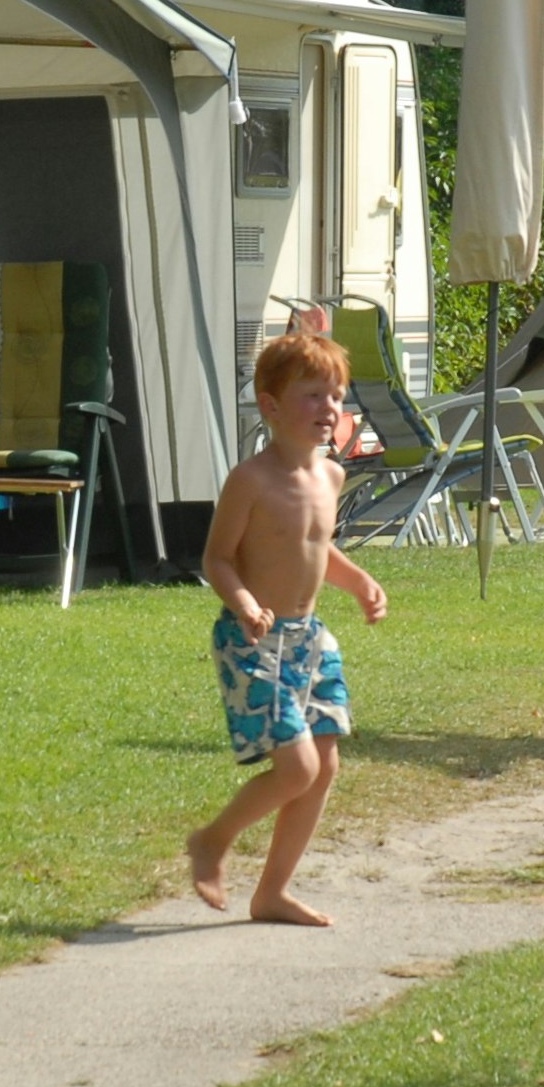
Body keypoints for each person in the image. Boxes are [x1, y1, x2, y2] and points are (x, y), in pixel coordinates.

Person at [186, 331, 390, 925]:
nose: (329, 409)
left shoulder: (329, 477)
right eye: (312, 396)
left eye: (336, 396)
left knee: (324, 768)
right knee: (296, 768)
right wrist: (245, 603)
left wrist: (358, 583)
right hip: (254, 641)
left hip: (309, 638)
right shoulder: (250, 480)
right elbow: (218, 558)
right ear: (271, 406)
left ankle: (271, 892)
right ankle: (213, 840)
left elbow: (316, 547)